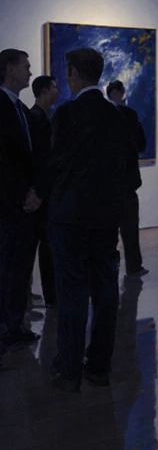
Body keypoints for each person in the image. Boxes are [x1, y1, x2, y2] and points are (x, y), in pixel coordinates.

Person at [47, 47, 134, 392]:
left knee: (72, 293)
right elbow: (125, 169)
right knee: (106, 290)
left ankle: (69, 369)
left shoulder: (67, 113)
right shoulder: (119, 116)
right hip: (105, 216)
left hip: (70, 216)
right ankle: (99, 365)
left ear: (72, 73)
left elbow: (57, 164)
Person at [0, 48, 40, 351]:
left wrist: (34, 192)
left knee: (19, 271)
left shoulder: (20, 109)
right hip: (7, 206)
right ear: (9, 69)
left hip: (23, 206)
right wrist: (21, 193)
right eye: (25, 66)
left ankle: (13, 326)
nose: (29, 71)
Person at [107, 80, 148, 276]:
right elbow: (140, 143)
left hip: (109, 180)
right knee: (130, 226)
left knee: (109, 228)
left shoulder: (101, 114)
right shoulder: (129, 115)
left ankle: (110, 264)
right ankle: (133, 265)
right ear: (117, 92)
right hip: (127, 179)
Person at [27, 75, 57, 306]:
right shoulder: (35, 117)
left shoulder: (46, 116)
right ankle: (47, 296)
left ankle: (46, 295)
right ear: (45, 91)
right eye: (55, 88)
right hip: (40, 192)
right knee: (39, 245)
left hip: (45, 190)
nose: (58, 91)